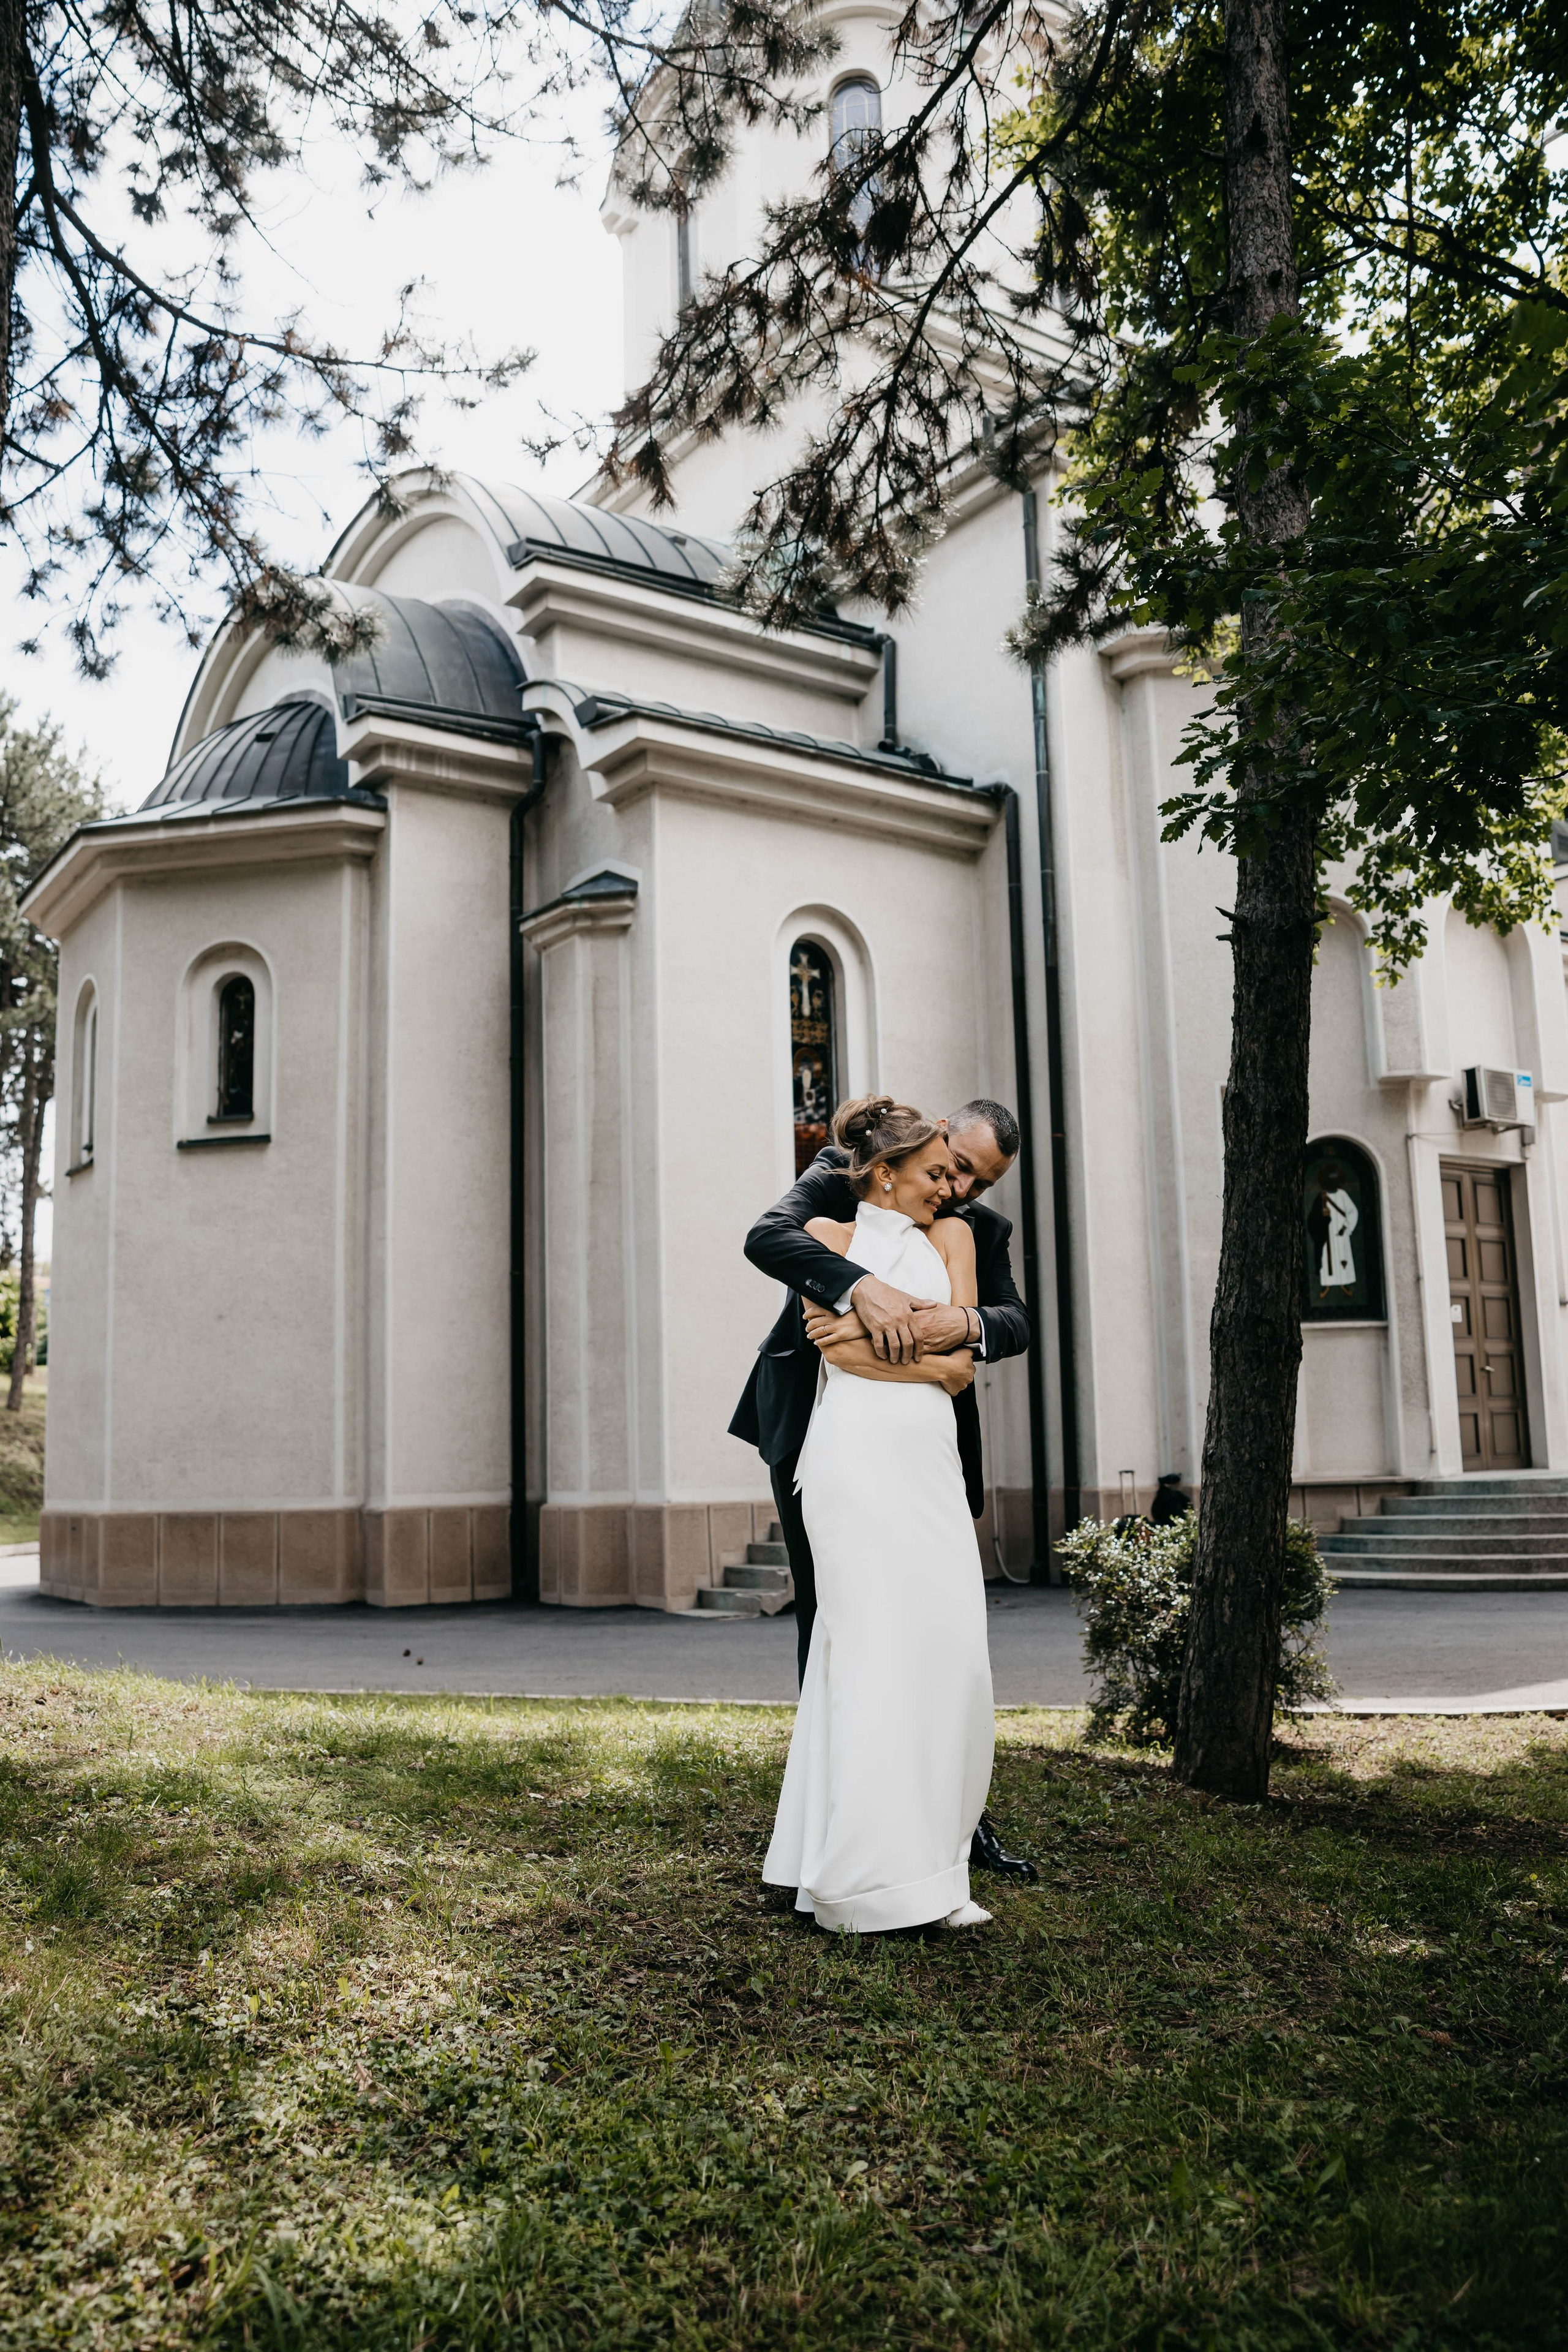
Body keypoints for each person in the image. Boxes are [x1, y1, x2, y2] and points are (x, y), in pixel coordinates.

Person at [731, 1096, 1038, 1886]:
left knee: (939, 1632)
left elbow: (1011, 1323)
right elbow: (768, 1238)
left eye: (981, 1180)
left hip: (927, 1444)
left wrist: (958, 1329)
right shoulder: (844, 1178)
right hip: (816, 1427)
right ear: (936, 1136)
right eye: (957, 1166)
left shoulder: (977, 1232)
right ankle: (834, 1812)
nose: (962, 1187)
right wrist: (861, 1289)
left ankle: (953, 1823)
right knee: (835, 1618)